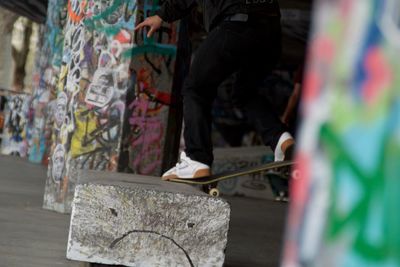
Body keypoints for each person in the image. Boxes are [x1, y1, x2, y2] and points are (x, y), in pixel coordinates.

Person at [135, 0, 295, 180]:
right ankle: (281, 140)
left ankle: (197, 159)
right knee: (245, 94)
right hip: (270, 32)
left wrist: (162, 15)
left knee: (195, 88)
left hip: (236, 23)